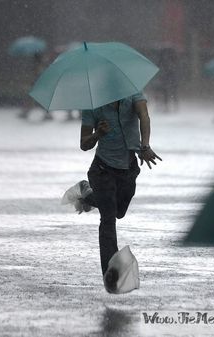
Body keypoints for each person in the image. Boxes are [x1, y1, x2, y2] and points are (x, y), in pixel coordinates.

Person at [65, 93, 162, 291]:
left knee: (119, 211)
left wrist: (145, 145)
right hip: (103, 170)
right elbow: (84, 144)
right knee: (108, 218)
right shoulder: (93, 104)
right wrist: (97, 134)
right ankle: (112, 273)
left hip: (128, 168)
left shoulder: (134, 93)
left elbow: (144, 115)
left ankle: (85, 194)